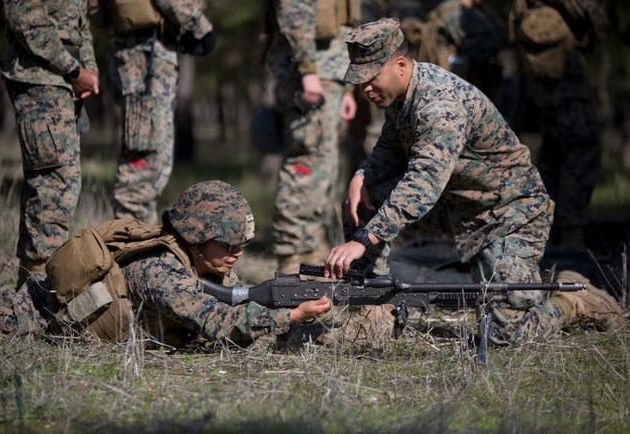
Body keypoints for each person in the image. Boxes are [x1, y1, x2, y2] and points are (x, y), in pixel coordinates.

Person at [323, 18, 623, 345]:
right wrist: (362, 174)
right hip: (459, 206)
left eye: (371, 78)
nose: (365, 88)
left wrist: (365, 240)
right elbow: (391, 148)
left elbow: (422, 184)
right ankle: (371, 318)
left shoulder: (439, 105)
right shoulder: (400, 95)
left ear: (399, 64)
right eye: (360, 80)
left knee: (507, 335)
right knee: (365, 200)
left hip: (507, 215)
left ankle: (576, 301)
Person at [0, 181, 331, 348]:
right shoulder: (160, 272)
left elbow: (236, 306)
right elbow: (217, 320)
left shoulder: (210, 265)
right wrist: (291, 316)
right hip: (30, 317)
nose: (237, 252)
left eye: (243, 244)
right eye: (228, 244)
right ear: (195, 237)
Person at [0, 0, 101, 288]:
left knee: (62, 186)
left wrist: (89, 69)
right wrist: (72, 70)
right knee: (52, 187)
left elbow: (82, 24)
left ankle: (33, 290)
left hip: (62, 81)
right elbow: (25, 16)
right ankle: (36, 293)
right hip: (41, 76)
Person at [88, 0, 216, 224]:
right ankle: (127, 242)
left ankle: (140, 239)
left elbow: (98, 16)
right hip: (146, 53)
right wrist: (199, 25)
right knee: (143, 156)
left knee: (152, 157)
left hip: (141, 48)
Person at [263, 0, 359, 273]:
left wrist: (348, 88)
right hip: (310, 73)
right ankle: (293, 256)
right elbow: (294, 11)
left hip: (330, 74)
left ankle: (312, 249)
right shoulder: (309, 71)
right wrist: (308, 73)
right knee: (306, 166)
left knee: (324, 168)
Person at [508, 0, 608, 249]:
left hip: (538, 74)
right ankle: (570, 233)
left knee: (553, 150)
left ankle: (546, 229)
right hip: (565, 75)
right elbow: (589, 11)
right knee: (580, 150)